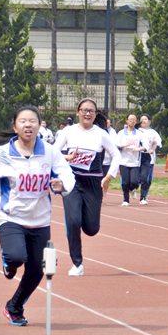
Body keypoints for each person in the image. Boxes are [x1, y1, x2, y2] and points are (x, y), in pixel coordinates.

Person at [0, 106, 74, 326]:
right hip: (10, 216)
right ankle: (8, 261)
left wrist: (62, 185)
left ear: (40, 125)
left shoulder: (49, 152)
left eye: (33, 121)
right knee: (16, 257)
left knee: (37, 269)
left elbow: (67, 174)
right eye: (23, 121)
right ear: (15, 126)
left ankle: (14, 307)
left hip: (40, 220)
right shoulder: (3, 154)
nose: (28, 125)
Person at [53, 98, 121, 276]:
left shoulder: (101, 134)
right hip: (71, 181)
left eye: (91, 110)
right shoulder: (68, 132)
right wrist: (66, 158)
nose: (87, 113)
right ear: (77, 112)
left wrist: (109, 176)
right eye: (84, 110)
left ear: (95, 114)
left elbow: (117, 155)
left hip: (93, 183)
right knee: (74, 221)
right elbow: (52, 153)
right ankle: (77, 263)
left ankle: (82, 215)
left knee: (91, 229)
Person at [117, 114, 142, 206]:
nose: (132, 121)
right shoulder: (121, 133)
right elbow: (116, 145)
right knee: (125, 182)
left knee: (134, 181)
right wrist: (122, 146)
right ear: (126, 121)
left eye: (134, 120)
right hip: (123, 161)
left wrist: (139, 149)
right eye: (130, 119)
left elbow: (145, 146)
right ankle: (126, 200)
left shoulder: (139, 134)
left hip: (135, 161)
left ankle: (132, 189)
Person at [137, 114, 162, 205]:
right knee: (135, 179)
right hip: (137, 158)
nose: (143, 121)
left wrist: (152, 149)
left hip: (149, 158)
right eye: (141, 119)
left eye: (145, 119)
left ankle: (143, 196)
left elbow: (157, 143)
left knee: (147, 179)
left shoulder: (153, 132)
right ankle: (133, 189)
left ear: (149, 121)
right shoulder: (136, 131)